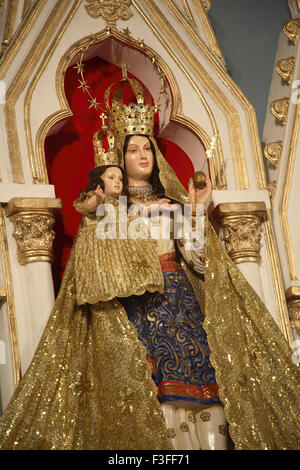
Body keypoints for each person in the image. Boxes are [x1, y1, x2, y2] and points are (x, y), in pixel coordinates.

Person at [103, 71, 300, 450]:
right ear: (119, 158)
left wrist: (195, 209)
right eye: (132, 149)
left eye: (147, 148)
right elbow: (107, 265)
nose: (142, 155)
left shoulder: (171, 206)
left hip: (183, 304)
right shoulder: (113, 210)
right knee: (163, 402)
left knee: (209, 397)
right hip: (142, 308)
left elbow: (198, 261)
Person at [0, 133, 172, 450]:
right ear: (100, 182)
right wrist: (98, 200)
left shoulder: (129, 209)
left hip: (145, 287)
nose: (118, 182)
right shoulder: (103, 206)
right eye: (113, 176)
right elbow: (87, 207)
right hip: (107, 287)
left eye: (120, 177)